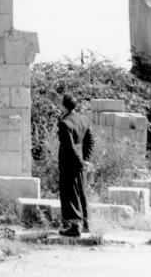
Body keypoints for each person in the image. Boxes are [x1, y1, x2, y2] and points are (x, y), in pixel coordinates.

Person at [57, 94, 94, 237]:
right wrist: (86, 160)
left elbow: (69, 147)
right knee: (81, 193)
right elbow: (90, 141)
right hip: (80, 163)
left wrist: (81, 162)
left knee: (69, 193)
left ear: (64, 106)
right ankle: (86, 224)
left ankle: (74, 227)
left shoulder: (64, 123)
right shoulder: (83, 119)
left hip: (69, 162)